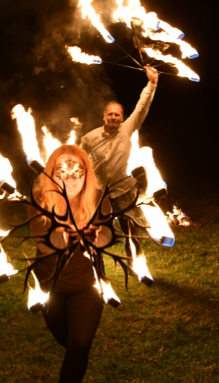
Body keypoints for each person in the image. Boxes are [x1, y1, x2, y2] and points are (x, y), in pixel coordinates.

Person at [30, 145, 113, 383]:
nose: (71, 178)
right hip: (50, 286)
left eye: (77, 171)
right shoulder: (38, 202)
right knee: (67, 340)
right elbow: (47, 244)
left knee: (79, 345)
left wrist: (93, 236)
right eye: (62, 172)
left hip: (88, 285)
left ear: (87, 173)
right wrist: (80, 233)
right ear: (51, 175)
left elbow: (105, 236)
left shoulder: (99, 199)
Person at [80, 65, 160, 238]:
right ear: (104, 116)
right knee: (95, 234)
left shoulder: (127, 129)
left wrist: (151, 84)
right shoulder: (89, 138)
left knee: (130, 234)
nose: (113, 117)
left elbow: (142, 107)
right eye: (110, 114)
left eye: (117, 115)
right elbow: (79, 159)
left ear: (122, 118)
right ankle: (94, 262)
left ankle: (134, 259)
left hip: (125, 190)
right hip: (100, 194)